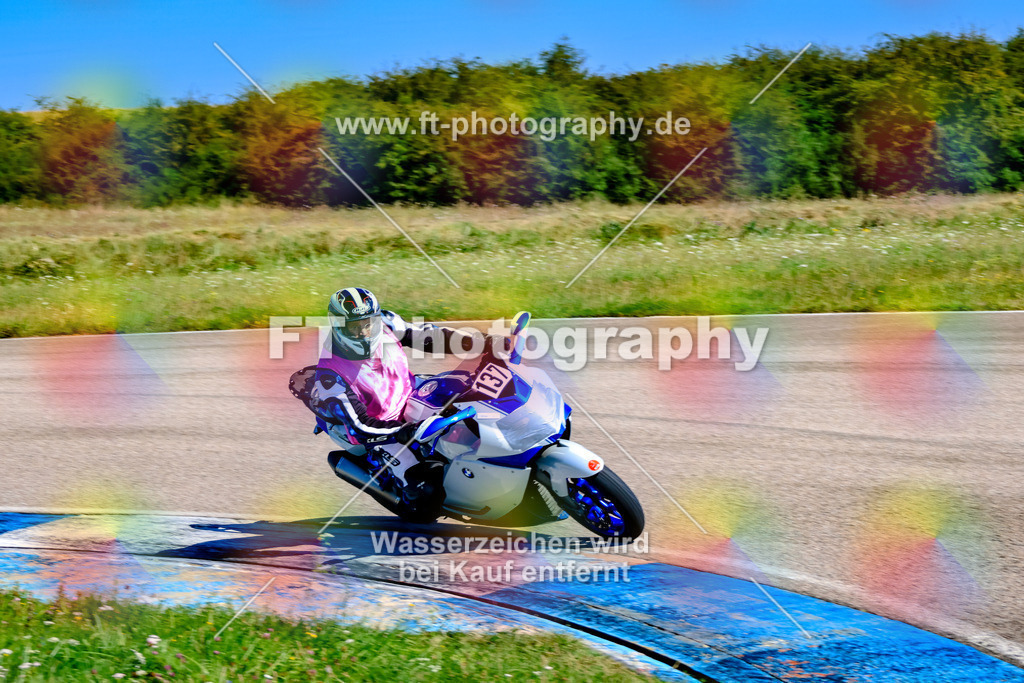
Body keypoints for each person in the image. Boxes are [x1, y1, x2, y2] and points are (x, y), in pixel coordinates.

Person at [289, 287, 506, 517]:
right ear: (339, 326)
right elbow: (360, 425)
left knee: (476, 394)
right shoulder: (330, 376)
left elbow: (433, 337)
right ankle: (410, 496)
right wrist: (402, 432)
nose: (364, 332)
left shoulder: (386, 323)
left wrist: (484, 343)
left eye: (368, 323)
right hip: (383, 427)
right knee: (427, 493)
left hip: (411, 391)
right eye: (354, 327)